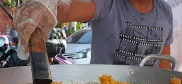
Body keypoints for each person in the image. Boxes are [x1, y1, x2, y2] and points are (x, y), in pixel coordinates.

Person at [14, 0, 173, 69]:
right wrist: (48, 5)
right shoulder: (108, 4)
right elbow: (68, 10)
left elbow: (164, 64)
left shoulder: (165, 12)